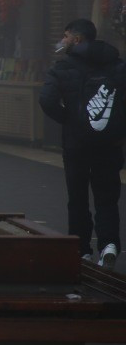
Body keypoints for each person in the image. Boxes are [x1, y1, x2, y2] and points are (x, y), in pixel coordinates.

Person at [39, 18, 125, 268]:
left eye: (65, 36)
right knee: (107, 197)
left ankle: (81, 249)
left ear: (77, 39)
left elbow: (47, 100)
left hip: (76, 144)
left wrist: (68, 119)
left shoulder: (62, 68)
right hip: (110, 144)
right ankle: (109, 244)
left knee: (77, 197)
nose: (62, 40)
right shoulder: (118, 66)